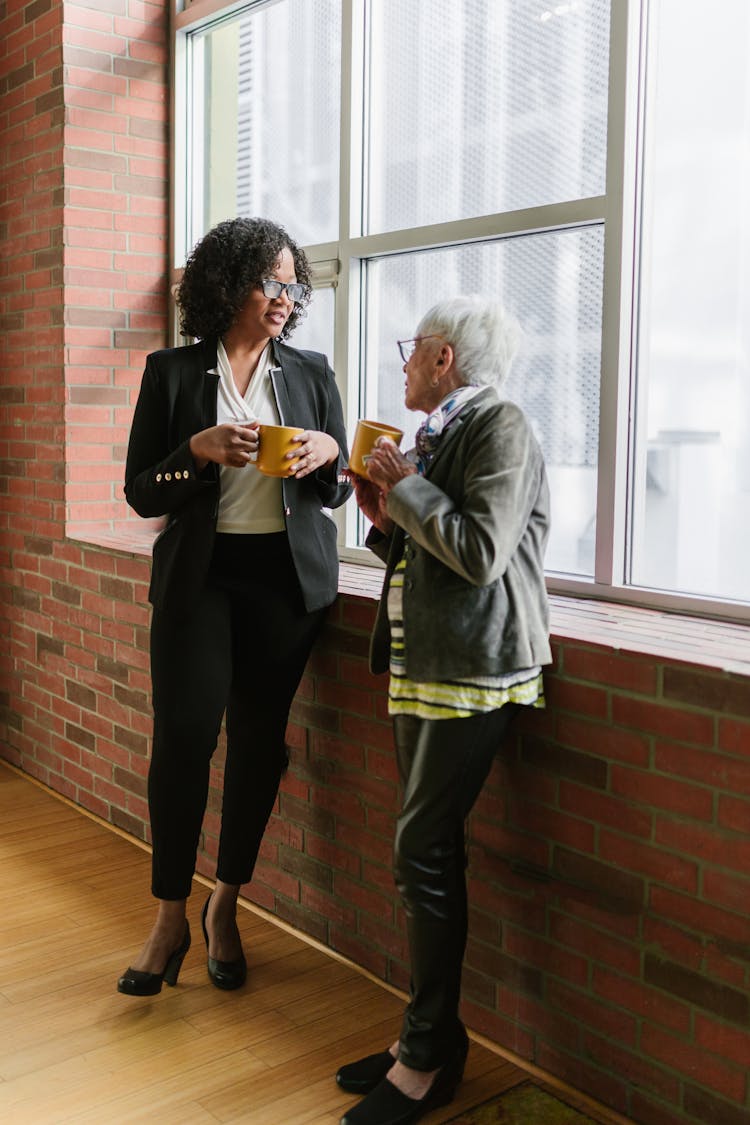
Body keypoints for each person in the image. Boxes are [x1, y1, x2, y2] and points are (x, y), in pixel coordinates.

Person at [117, 217, 351, 996]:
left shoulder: (313, 371)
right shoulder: (173, 373)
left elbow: (336, 489)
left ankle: (226, 902)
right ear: (227, 284)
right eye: (268, 282)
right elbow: (140, 489)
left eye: (292, 284)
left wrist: (328, 457)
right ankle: (167, 916)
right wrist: (196, 452)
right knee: (183, 738)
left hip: (284, 586)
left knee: (259, 744)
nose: (284, 297)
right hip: (200, 579)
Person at [335, 296, 551, 1125]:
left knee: (419, 849)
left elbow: (479, 551)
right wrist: (383, 516)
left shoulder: (501, 427)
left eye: (412, 347)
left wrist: (410, 487)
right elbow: (431, 548)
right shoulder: (442, 433)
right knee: (427, 852)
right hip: (429, 665)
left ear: (444, 358)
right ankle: (425, 1040)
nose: (403, 361)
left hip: (476, 671)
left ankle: (426, 1055)